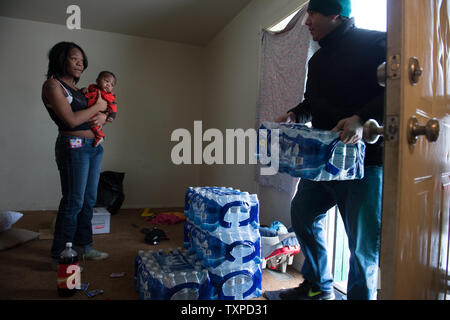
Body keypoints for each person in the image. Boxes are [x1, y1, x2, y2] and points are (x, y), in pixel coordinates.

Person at [274, 0, 386, 300]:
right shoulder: (317, 60)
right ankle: (317, 286)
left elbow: (401, 92)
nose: (307, 20)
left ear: (335, 14)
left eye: (312, 13)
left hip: (366, 164)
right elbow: (312, 104)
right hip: (323, 162)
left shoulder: (376, 41)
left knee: (361, 247)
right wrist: (295, 114)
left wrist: (362, 118)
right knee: (302, 213)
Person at [42, 41, 111, 270]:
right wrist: (97, 108)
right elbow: (71, 120)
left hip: (93, 146)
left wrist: (101, 117)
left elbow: (97, 113)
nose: (80, 64)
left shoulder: (78, 89)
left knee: (89, 201)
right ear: (61, 59)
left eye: (82, 61)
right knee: (73, 201)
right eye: (74, 59)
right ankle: (60, 254)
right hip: (74, 146)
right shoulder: (53, 86)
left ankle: (84, 247)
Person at [82, 71, 118, 147]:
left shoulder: (109, 95)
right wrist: (84, 90)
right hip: (88, 110)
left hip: (97, 113)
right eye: (106, 81)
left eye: (112, 85)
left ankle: (100, 136)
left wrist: (112, 115)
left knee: (94, 122)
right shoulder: (92, 87)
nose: (108, 85)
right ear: (97, 80)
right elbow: (87, 93)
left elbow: (113, 106)